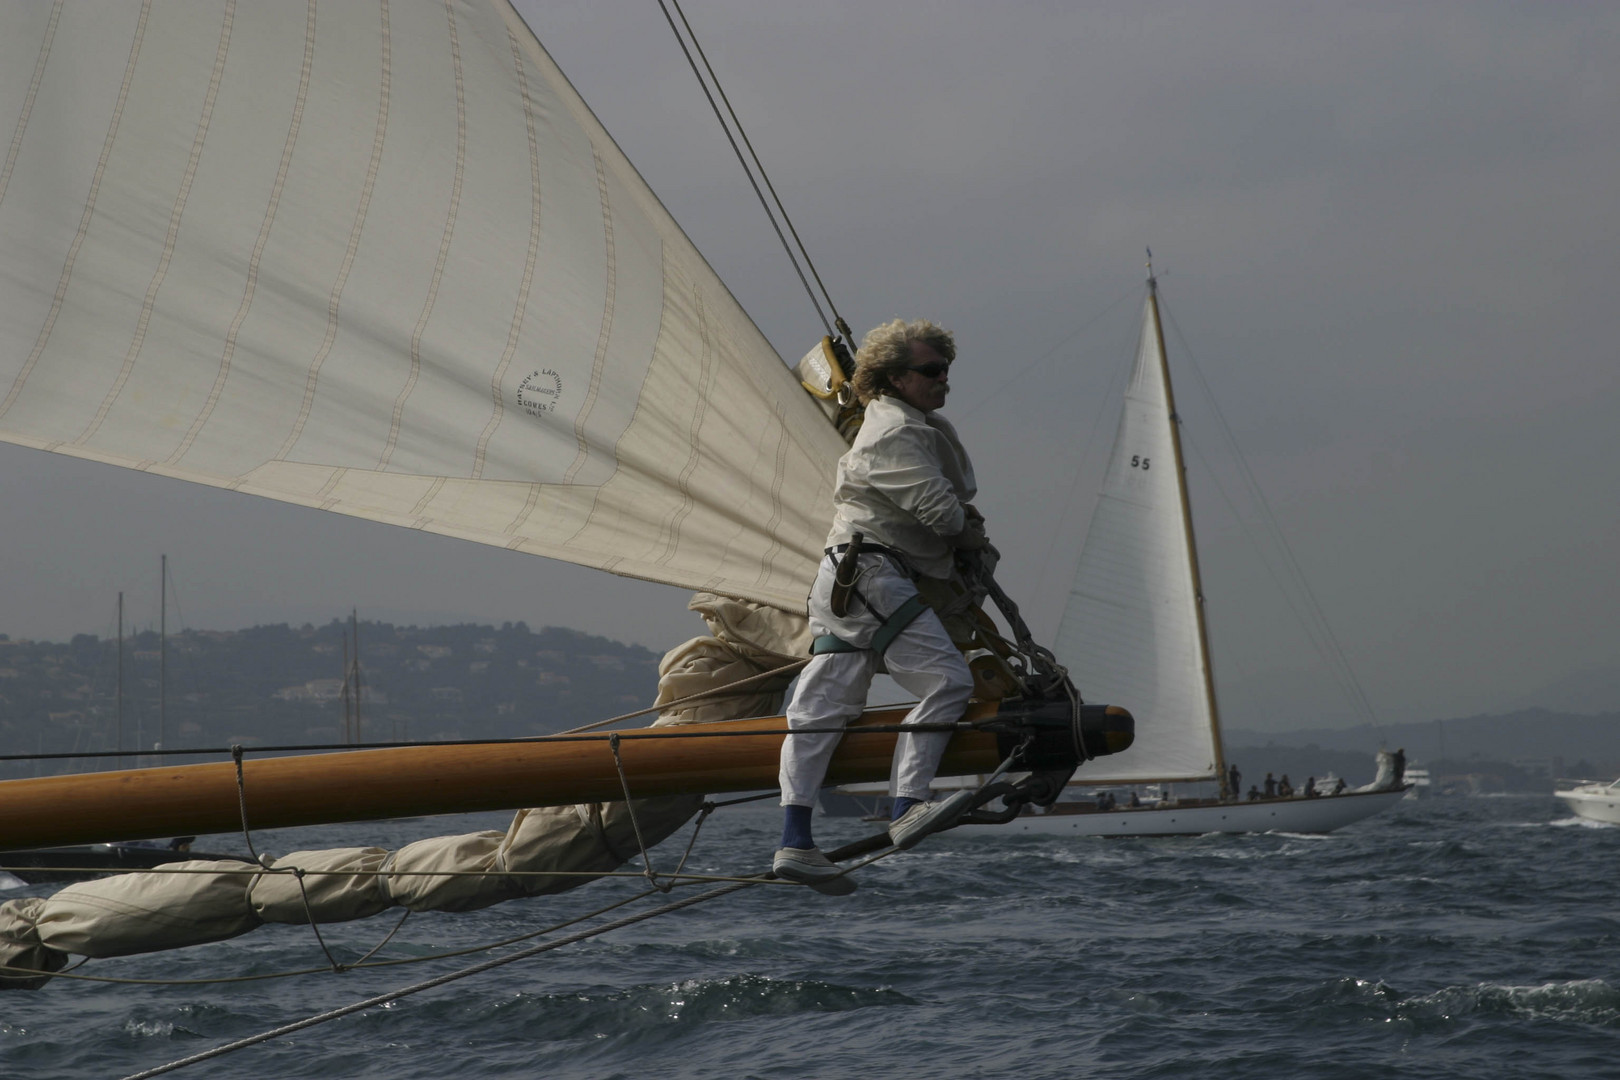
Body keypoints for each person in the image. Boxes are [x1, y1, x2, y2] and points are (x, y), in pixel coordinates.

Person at [773, 319, 984, 894]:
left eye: (947, 370)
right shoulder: (895, 432)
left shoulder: (895, 425)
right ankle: (908, 805)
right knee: (947, 682)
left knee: (820, 708)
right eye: (931, 371)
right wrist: (971, 536)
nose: (944, 381)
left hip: (842, 576)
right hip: (873, 575)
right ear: (894, 378)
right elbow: (943, 516)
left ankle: (795, 842)